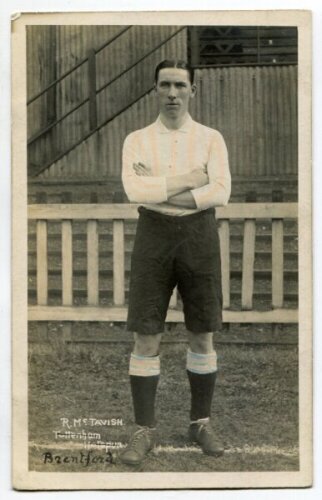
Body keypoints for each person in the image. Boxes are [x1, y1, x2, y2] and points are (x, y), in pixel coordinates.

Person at [120, 59, 231, 465]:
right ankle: (144, 429)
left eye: (179, 86)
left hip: (198, 236)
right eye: (164, 85)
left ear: (192, 91)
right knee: (146, 334)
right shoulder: (136, 139)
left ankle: (199, 422)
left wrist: (158, 188)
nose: (172, 94)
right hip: (153, 237)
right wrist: (189, 179)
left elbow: (221, 191)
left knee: (202, 332)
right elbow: (134, 190)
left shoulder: (210, 138)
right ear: (154, 90)